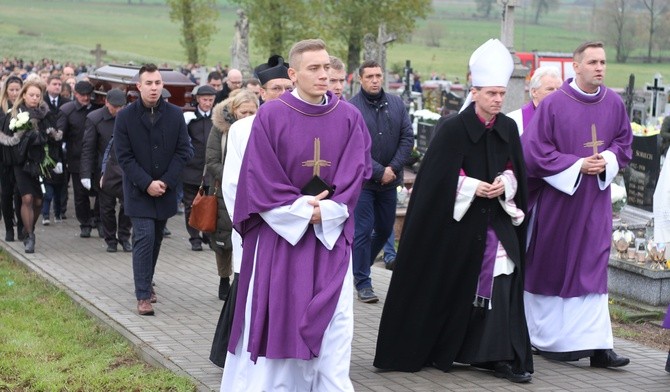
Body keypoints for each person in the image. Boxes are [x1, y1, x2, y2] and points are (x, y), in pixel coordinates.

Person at [374, 38, 533, 383]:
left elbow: (515, 169)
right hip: (457, 225)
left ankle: (499, 355)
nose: (498, 99)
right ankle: (443, 347)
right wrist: (473, 186)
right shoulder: (451, 128)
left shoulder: (508, 128)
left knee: (504, 278)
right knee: (450, 283)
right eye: (491, 93)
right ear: (474, 92)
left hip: (497, 220)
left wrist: (505, 183)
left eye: (501, 94)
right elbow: (438, 179)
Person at [219, 39, 371, 391]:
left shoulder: (348, 117)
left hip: (330, 240)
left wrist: (329, 211)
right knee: (281, 315)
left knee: (335, 323)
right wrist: (304, 211)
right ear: (293, 73)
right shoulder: (271, 115)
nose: (323, 75)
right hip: (281, 241)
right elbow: (259, 177)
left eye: (327, 68)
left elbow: (355, 171)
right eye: (313, 68)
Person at [522, 41, 633, 368]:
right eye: (593, 62)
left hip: (595, 203)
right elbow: (534, 152)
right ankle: (548, 340)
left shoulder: (613, 103)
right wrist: (576, 165)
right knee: (554, 266)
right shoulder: (555, 104)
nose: (600, 67)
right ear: (576, 67)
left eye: (603, 62)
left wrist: (608, 158)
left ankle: (600, 347)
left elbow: (624, 142)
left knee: (593, 268)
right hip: (560, 204)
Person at [210, 56, 293, 369]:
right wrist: (245, 222)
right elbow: (233, 182)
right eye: (276, 88)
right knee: (245, 289)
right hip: (253, 224)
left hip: (289, 225)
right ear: (263, 92)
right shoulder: (244, 128)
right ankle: (228, 351)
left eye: (288, 87)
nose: (282, 93)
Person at [114, 63, 193, 316]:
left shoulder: (174, 114)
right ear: (139, 86)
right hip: (139, 190)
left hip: (165, 189)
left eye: (158, 83)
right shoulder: (125, 116)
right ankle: (143, 295)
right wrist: (146, 183)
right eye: (149, 83)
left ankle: (148, 281)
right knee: (144, 236)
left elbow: (184, 151)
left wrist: (166, 182)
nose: (154, 88)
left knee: (156, 239)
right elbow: (124, 157)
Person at [349, 60, 413, 303]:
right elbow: (354, 148)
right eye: (370, 76)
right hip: (364, 182)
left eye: (378, 75)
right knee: (363, 230)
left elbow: (407, 137)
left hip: (389, 181)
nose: (375, 80)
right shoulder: (352, 108)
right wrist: (378, 171)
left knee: (386, 229)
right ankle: (363, 282)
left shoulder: (396, 104)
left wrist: (393, 168)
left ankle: (360, 265)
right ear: (361, 79)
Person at [205, 90, 258, 301]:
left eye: (251, 112)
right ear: (234, 111)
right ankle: (223, 277)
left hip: (252, 190)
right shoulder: (221, 130)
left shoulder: (260, 128)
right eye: (243, 112)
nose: (247, 117)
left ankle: (242, 277)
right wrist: (233, 177)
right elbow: (212, 160)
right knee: (223, 238)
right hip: (223, 190)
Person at [1, 79, 60, 253]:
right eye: (31, 95)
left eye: (37, 95)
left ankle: (27, 229)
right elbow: (8, 139)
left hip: (39, 161)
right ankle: (30, 237)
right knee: (26, 198)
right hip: (21, 162)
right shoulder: (15, 114)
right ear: (24, 95)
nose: (34, 98)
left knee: (38, 201)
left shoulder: (45, 114)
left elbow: (54, 134)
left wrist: (49, 137)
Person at [80, 89, 131, 253]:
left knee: (127, 205)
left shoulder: (129, 117)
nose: (118, 110)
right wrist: (86, 174)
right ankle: (111, 239)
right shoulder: (95, 119)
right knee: (107, 206)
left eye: (121, 107)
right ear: (107, 103)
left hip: (126, 168)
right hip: (105, 170)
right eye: (115, 106)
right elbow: (88, 148)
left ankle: (124, 236)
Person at [58, 80, 102, 238]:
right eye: (82, 95)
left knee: (101, 192)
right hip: (76, 158)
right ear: (75, 94)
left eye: (88, 95)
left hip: (97, 158)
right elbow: (60, 136)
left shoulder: (98, 108)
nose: (85, 98)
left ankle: (99, 220)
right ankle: (85, 223)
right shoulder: (67, 110)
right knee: (80, 194)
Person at [182, 85, 217, 251]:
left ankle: (208, 234)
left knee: (209, 203)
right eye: (204, 100)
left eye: (211, 100)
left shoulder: (216, 119)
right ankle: (194, 237)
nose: (207, 103)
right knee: (191, 204)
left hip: (210, 170)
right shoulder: (190, 119)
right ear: (197, 100)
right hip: (191, 169)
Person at [0, 75, 25, 240]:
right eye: (12, 90)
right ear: (6, 91)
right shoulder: (1, 108)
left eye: (17, 90)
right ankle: (9, 227)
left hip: (20, 156)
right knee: (6, 193)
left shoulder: (24, 109)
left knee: (20, 193)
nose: (15, 93)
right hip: (3, 156)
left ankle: (22, 228)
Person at [507, 66, 562, 135]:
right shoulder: (514, 120)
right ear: (534, 92)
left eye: (559, 89)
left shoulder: (567, 119)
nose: (556, 93)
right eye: (550, 89)